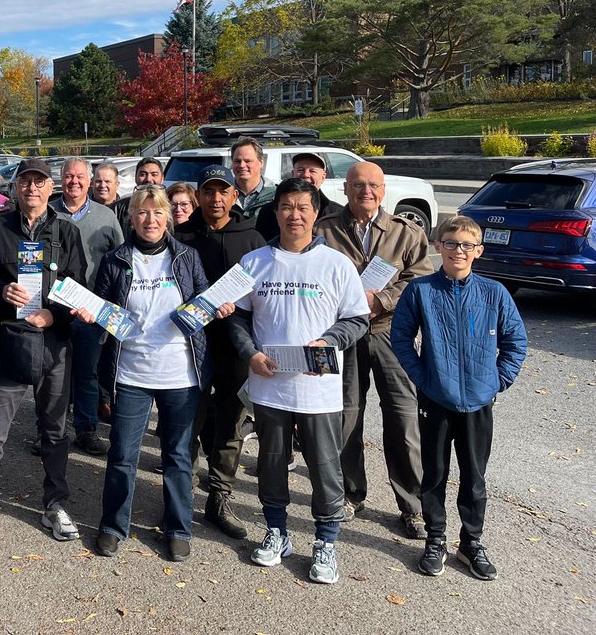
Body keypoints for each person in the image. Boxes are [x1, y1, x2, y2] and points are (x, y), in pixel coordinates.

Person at [225, 177, 369, 585]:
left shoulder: (336, 264)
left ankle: (326, 541)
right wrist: (250, 353)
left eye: (303, 207)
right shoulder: (255, 262)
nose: (294, 214)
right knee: (271, 464)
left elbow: (356, 319)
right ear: (276, 211)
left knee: (325, 467)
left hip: (318, 388)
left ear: (316, 213)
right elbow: (235, 316)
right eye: (286, 206)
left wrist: (329, 340)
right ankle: (277, 532)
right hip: (270, 385)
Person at [390, 217, 527, 581]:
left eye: (467, 245)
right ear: (438, 246)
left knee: (475, 477)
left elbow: (516, 343)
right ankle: (435, 539)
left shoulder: (494, 293)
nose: (459, 251)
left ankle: (471, 542)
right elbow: (400, 338)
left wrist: (496, 382)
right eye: (451, 243)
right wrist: (424, 378)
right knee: (434, 473)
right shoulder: (421, 291)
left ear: (478, 251)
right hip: (436, 399)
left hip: (480, 402)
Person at [88, 185, 214, 562]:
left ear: (170, 217)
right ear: (131, 217)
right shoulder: (116, 260)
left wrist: (214, 309)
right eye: (143, 213)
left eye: (158, 213)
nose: (150, 220)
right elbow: (103, 310)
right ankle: (113, 524)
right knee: (123, 454)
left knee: (177, 455)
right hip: (131, 372)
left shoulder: (187, 258)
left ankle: (178, 528)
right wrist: (91, 314)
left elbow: (203, 300)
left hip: (181, 374)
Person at [0, 158, 87, 548]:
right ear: (16, 188)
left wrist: (53, 314)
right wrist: (0, 291)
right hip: (9, 341)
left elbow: (78, 285)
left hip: (54, 346)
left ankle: (55, 504)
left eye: (39, 182)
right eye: (26, 182)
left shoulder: (66, 232)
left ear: (50, 188)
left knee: (54, 432)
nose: (33, 189)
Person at [316, 161, 434, 538]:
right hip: (344, 335)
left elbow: (420, 277)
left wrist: (383, 298)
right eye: (357, 185)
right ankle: (351, 494)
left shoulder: (407, 233)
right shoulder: (324, 230)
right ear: (345, 190)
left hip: (391, 333)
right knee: (347, 416)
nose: (365, 191)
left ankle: (413, 505)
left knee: (403, 419)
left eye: (373, 185)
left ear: (383, 191)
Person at [174, 166, 266, 540]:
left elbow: (265, 295)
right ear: (198, 196)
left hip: (236, 347)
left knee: (230, 425)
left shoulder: (254, 240)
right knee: (184, 425)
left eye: (222, 191)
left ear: (234, 196)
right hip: (188, 347)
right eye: (208, 191)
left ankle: (219, 497)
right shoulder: (180, 237)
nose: (215, 199)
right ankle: (178, 497)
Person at [50, 157, 123, 456]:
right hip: (52, 307)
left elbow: (120, 261)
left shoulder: (106, 217)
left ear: (90, 181)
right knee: (53, 372)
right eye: (69, 176)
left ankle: (86, 428)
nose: (74, 182)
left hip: (91, 308)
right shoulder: (48, 212)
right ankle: (51, 432)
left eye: (80, 176)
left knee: (87, 372)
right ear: (61, 179)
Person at [254, 152, 343, 241]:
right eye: (300, 170)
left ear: (323, 177)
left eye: (312, 171)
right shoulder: (268, 212)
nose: (306, 175)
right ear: (293, 174)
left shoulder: (336, 214)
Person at [112, 157, 164, 237]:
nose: (148, 179)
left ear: (162, 178)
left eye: (154, 174)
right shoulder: (119, 208)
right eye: (143, 174)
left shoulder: (172, 205)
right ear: (136, 178)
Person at [231, 137, 274, 220]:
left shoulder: (275, 195)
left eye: (247, 161)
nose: (242, 165)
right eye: (237, 161)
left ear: (261, 162)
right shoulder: (223, 194)